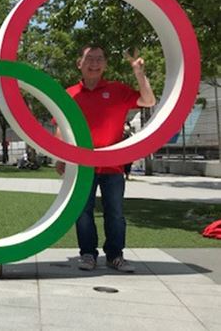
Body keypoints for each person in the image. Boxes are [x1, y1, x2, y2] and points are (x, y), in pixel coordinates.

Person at [55, 45, 155, 273]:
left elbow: (149, 101)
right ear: (79, 63)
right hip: (82, 166)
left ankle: (115, 256)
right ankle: (88, 254)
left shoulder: (117, 90)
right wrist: (60, 157)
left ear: (105, 64)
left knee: (115, 213)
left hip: (113, 165)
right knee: (82, 212)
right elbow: (61, 126)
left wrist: (139, 73)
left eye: (99, 59)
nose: (94, 63)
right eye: (89, 58)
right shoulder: (69, 94)